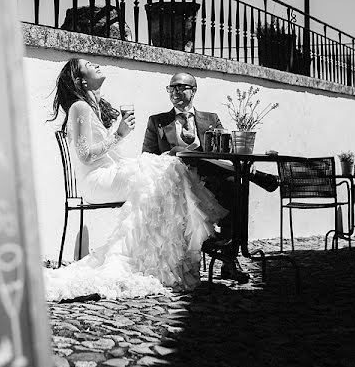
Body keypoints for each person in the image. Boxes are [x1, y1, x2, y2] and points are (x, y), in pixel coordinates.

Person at [43, 58, 228, 301]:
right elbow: (85, 155)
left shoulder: (92, 106)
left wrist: (119, 136)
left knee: (166, 169)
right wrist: (119, 134)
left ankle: (162, 255)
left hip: (109, 173)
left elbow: (103, 152)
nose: (96, 64)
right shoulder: (80, 107)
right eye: (88, 64)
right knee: (165, 168)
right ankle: (162, 257)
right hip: (97, 180)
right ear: (81, 80)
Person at [142, 72, 280, 282]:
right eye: (171, 88)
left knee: (235, 186)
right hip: (178, 180)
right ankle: (252, 174)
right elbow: (147, 156)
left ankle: (229, 256)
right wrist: (172, 154)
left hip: (210, 177)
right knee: (225, 174)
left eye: (180, 87)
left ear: (193, 91)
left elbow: (226, 151)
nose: (175, 92)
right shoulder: (158, 121)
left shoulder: (211, 118)